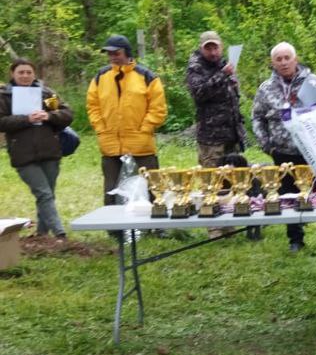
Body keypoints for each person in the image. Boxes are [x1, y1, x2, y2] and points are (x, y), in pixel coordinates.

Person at [251, 41, 316, 253]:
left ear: (295, 59)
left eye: (287, 58)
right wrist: (266, 144)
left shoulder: (313, 82)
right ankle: (295, 239)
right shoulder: (266, 88)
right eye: (279, 59)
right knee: (288, 195)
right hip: (282, 151)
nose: (284, 62)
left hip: (313, 148)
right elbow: (257, 117)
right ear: (273, 63)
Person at [86, 33, 167, 205]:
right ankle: (112, 222)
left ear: (127, 53)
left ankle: (156, 220)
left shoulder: (147, 76)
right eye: (109, 54)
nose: (112, 57)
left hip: (141, 145)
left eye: (116, 53)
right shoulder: (100, 77)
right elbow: (93, 106)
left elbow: (158, 109)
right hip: (110, 144)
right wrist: (101, 128)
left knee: (153, 189)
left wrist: (144, 129)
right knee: (111, 192)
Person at [0, 57, 74, 240]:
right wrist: (27, 119)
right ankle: (60, 233)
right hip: (22, 154)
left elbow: (67, 114)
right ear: (12, 74)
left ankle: (42, 234)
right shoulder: (4, 96)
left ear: (34, 74)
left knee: (48, 194)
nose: (25, 76)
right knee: (43, 193)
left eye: (29, 72)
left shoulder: (46, 93)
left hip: (50, 151)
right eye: (21, 72)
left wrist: (49, 116)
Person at [186, 31, 246, 167]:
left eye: (215, 48)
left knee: (236, 179)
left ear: (221, 47)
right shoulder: (196, 68)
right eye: (208, 49)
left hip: (232, 137)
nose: (213, 52)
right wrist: (222, 75)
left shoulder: (225, 64)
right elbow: (199, 93)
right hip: (211, 140)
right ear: (201, 49)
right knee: (214, 179)